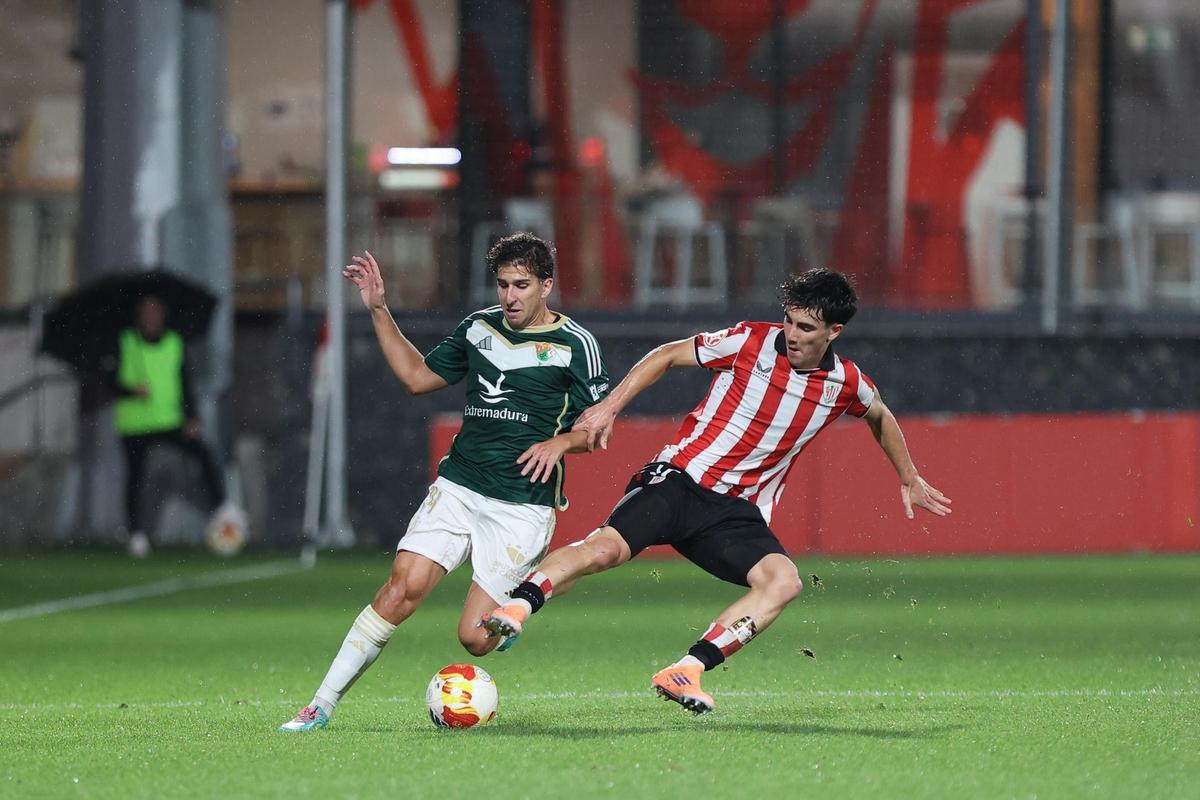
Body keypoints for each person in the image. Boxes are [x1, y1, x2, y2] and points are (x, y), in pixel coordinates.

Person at [484, 268, 952, 714]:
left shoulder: (845, 383)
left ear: (834, 331)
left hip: (734, 513)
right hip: (681, 479)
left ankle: (686, 670)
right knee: (606, 550)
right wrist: (609, 408)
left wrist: (908, 476)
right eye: (789, 320)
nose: (791, 333)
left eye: (806, 327)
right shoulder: (750, 340)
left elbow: (880, 414)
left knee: (784, 581)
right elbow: (666, 355)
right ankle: (518, 605)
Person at [280, 232, 609, 732]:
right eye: (502, 285)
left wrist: (562, 443)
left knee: (475, 639)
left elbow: (599, 426)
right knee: (399, 590)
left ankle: (539, 586)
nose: (510, 296)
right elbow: (416, 378)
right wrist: (378, 310)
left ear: (547, 285)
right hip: (459, 487)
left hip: (521, 505)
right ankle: (319, 705)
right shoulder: (478, 328)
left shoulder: (574, 345)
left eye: (521, 285)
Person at [108, 295, 230, 558]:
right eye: (147, 312)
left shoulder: (174, 342)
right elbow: (109, 382)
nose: (152, 317)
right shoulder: (126, 342)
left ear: (162, 315)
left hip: (168, 419)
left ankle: (223, 509)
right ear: (139, 316)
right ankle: (136, 533)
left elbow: (185, 383)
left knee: (202, 453)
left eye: (156, 311)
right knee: (136, 477)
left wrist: (191, 417)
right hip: (135, 423)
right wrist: (130, 390)